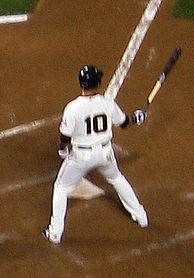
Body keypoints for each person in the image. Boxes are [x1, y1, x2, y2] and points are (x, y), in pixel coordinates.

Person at [43, 65, 148, 244]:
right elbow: (124, 123)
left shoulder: (73, 108)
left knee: (61, 188)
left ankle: (55, 232)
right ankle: (141, 216)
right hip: (105, 153)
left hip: (81, 157)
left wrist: (62, 148)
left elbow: (65, 135)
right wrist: (136, 118)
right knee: (117, 179)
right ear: (98, 83)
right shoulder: (107, 103)